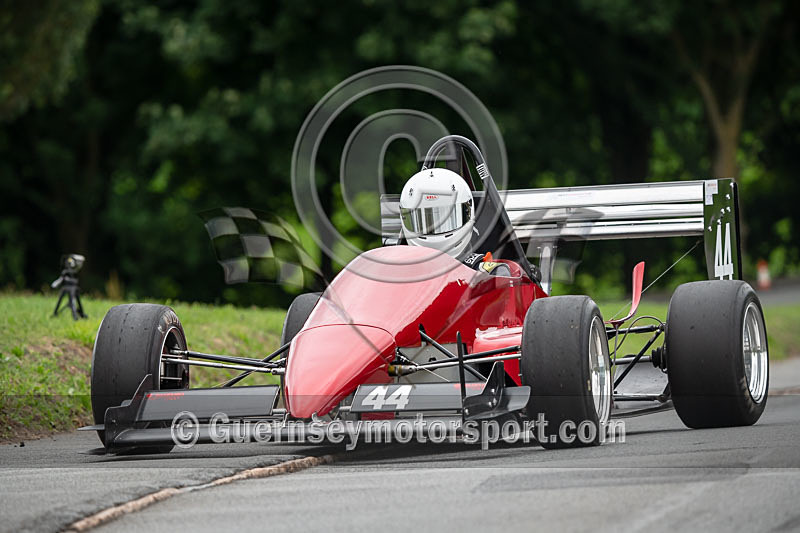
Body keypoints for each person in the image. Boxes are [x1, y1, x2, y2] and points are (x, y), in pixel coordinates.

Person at [399, 167, 511, 276]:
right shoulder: (398, 273)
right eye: (425, 221)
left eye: (446, 219)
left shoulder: (487, 273)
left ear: (468, 213)